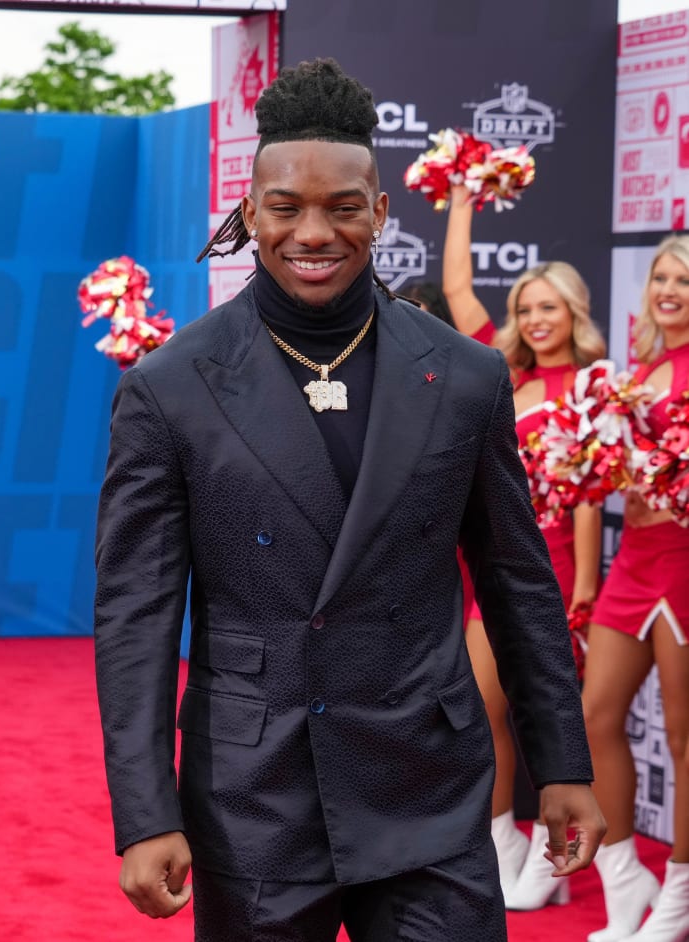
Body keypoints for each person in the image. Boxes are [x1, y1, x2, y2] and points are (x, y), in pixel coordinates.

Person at [93, 58, 605, 942]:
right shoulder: (169, 388)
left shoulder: (467, 376)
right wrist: (145, 811)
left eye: (342, 206)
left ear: (380, 210)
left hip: (429, 786)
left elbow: (518, 582)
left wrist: (562, 761)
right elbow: (136, 617)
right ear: (250, 214)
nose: (314, 231)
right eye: (287, 208)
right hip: (253, 797)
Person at [441, 185, 607, 910]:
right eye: (526, 309)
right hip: (496, 565)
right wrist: (460, 193)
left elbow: (592, 494)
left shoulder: (596, 387)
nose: (536, 320)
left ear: (575, 312)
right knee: (482, 710)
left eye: (550, 307)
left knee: (553, 715)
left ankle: (550, 857)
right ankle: (506, 842)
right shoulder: (503, 377)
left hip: (562, 571)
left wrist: (585, 586)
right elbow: (454, 287)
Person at [581, 235, 689, 942]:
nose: (668, 289)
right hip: (635, 562)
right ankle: (625, 876)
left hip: (684, 561)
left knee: (684, 736)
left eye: (683, 279)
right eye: (660, 277)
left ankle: (680, 892)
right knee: (592, 717)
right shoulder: (641, 370)